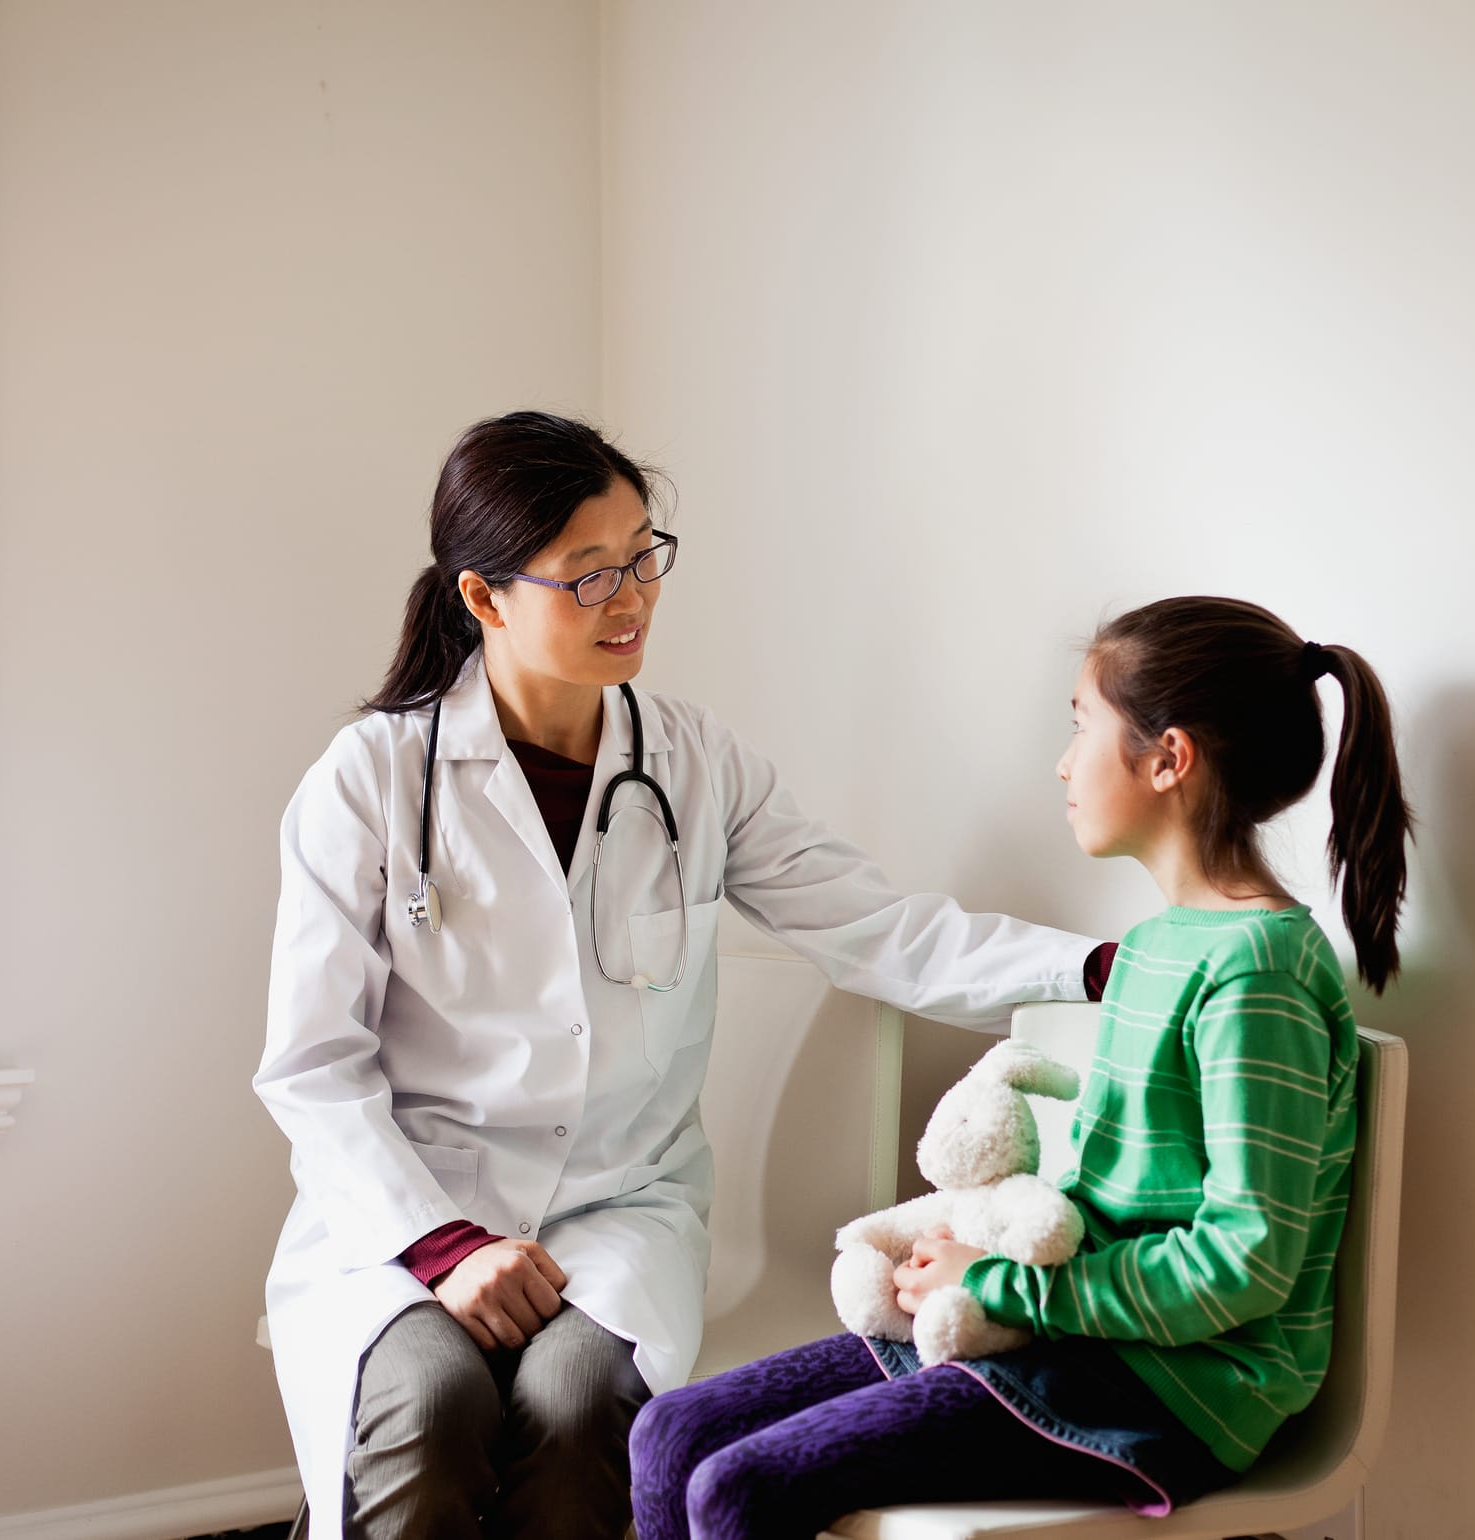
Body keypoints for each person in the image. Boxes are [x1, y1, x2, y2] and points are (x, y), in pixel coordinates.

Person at [253, 410, 1107, 1540]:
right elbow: (313, 1067)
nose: (632, 597)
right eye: (586, 575)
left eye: (642, 554)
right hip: (413, 1210)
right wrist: (442, 1245)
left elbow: (880, 929)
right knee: (430, 1398)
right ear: (482, 596)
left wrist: (1100, 966)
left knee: (573, 1406)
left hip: (617, 1204)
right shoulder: (367, 780)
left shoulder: (694, 764)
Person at [628, 594, 1413, 1540]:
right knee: (669, 1432)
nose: (1063, 761)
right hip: (1064, 1337)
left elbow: (1243, 1265)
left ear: (1169, 758)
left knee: (738, 1491)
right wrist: (974, 1255)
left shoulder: (1261, 972)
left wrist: (999, 1286)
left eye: (1082, 727)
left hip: (1165, 1391)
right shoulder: (1158, 946)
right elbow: (1104, 1193)